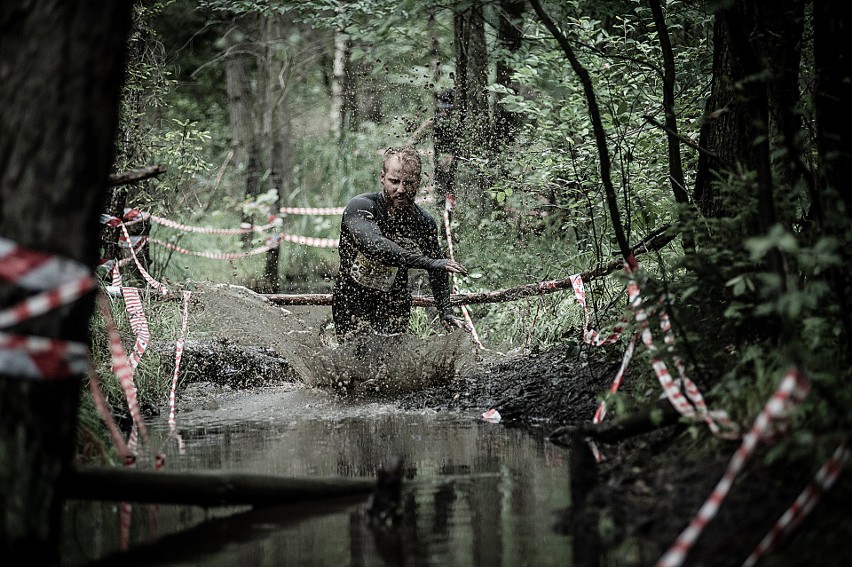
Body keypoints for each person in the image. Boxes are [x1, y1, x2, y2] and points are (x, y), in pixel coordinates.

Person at [332, 146, 467, 341]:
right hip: (352, 299)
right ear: (382, 177)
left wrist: (445, 310)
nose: (401, 190)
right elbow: (375, 247)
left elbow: (438, 269)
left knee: (392, 361)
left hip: (394, 302)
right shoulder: (361, 206)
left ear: (418, 182)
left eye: (409, 183)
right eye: (394, 182)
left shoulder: (423, 221)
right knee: (354, 361)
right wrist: (428, 262)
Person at [408, 89, 460, 212]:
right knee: (441, 195)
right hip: (439, 164)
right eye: (443, 108)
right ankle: (443, 217)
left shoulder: (458, 121)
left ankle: (451, 217)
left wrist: (453, 156)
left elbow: (462, 142)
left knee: (453, 192)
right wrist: (423, 127)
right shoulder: (435, 120)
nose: (445, 111)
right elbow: (414, 139)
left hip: (456, 163)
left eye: (448, 109)